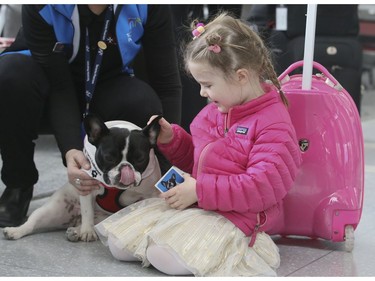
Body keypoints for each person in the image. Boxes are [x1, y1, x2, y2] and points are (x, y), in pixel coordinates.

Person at [94, 12, 302, 276]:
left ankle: (246, 247)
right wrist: (174, 141)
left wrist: (200, 190)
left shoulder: (273, 124)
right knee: (119, 244)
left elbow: (262, 187)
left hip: (240, 217)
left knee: (163, 255)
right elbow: (200, 161)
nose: (203, 93)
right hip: (203, 203)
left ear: (241, 76)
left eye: (207, 84)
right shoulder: (216, 111)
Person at [0, 4, 182, 227]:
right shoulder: (40, 6)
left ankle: (121, 194)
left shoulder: (148, 6)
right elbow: (60, 86)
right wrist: (71, 149)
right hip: (45, 84)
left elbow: (167, 83)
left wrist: (171, 161)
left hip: (105, 83)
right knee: (9, 75)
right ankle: (18, 182)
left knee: (143, 102)